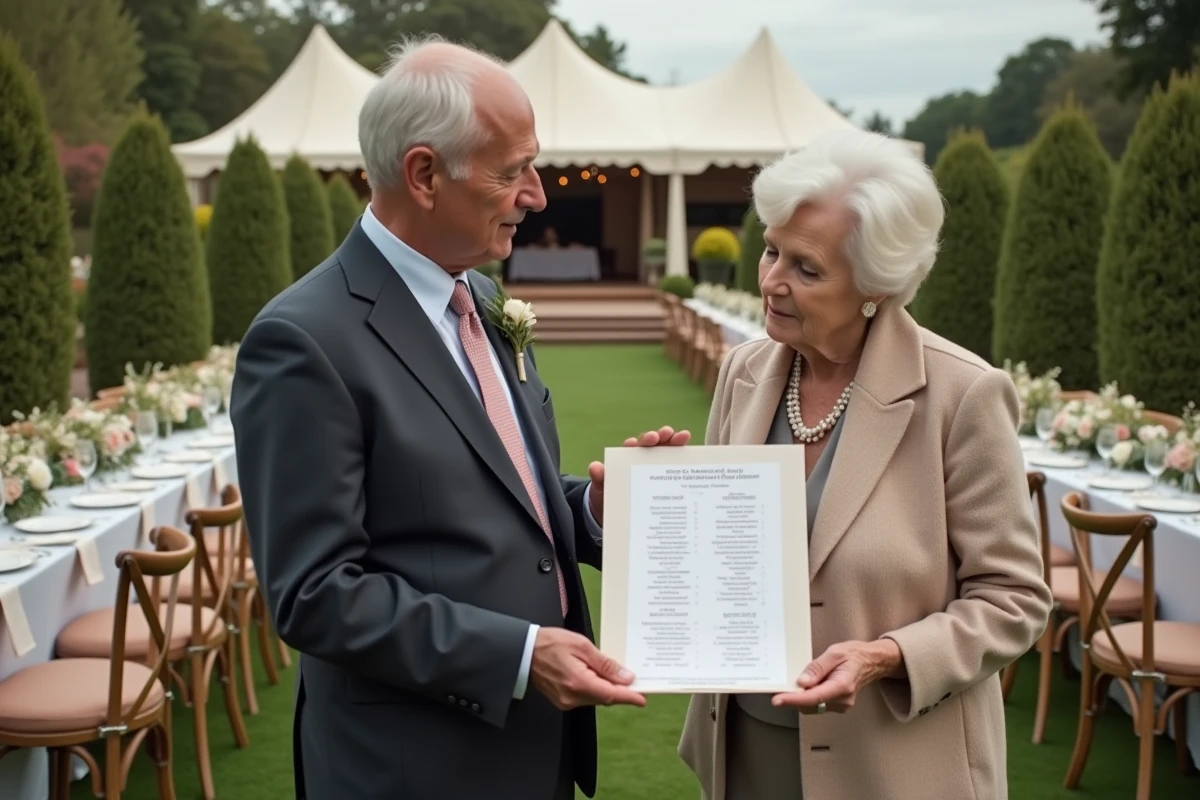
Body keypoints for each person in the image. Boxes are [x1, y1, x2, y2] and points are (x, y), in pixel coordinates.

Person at [231, 36, 689, 800]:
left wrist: (596, 510)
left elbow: (504, 494)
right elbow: (314, 592)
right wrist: (516, 655)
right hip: (414, 764)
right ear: (424, 174)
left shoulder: (479, 298)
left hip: (533, 750)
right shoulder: (304, 340)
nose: (538, 194)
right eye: (513, 171)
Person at [677, 129, 1053, 799]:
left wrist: (887, 657)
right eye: (770, 252)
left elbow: (1015, 600)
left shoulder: (963, 394)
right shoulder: (743, 371)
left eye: (806, 268)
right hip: (748, 750)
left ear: (875, 287)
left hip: (897, 763)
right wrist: (664, 501)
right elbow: (722, 557)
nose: (771, 281)